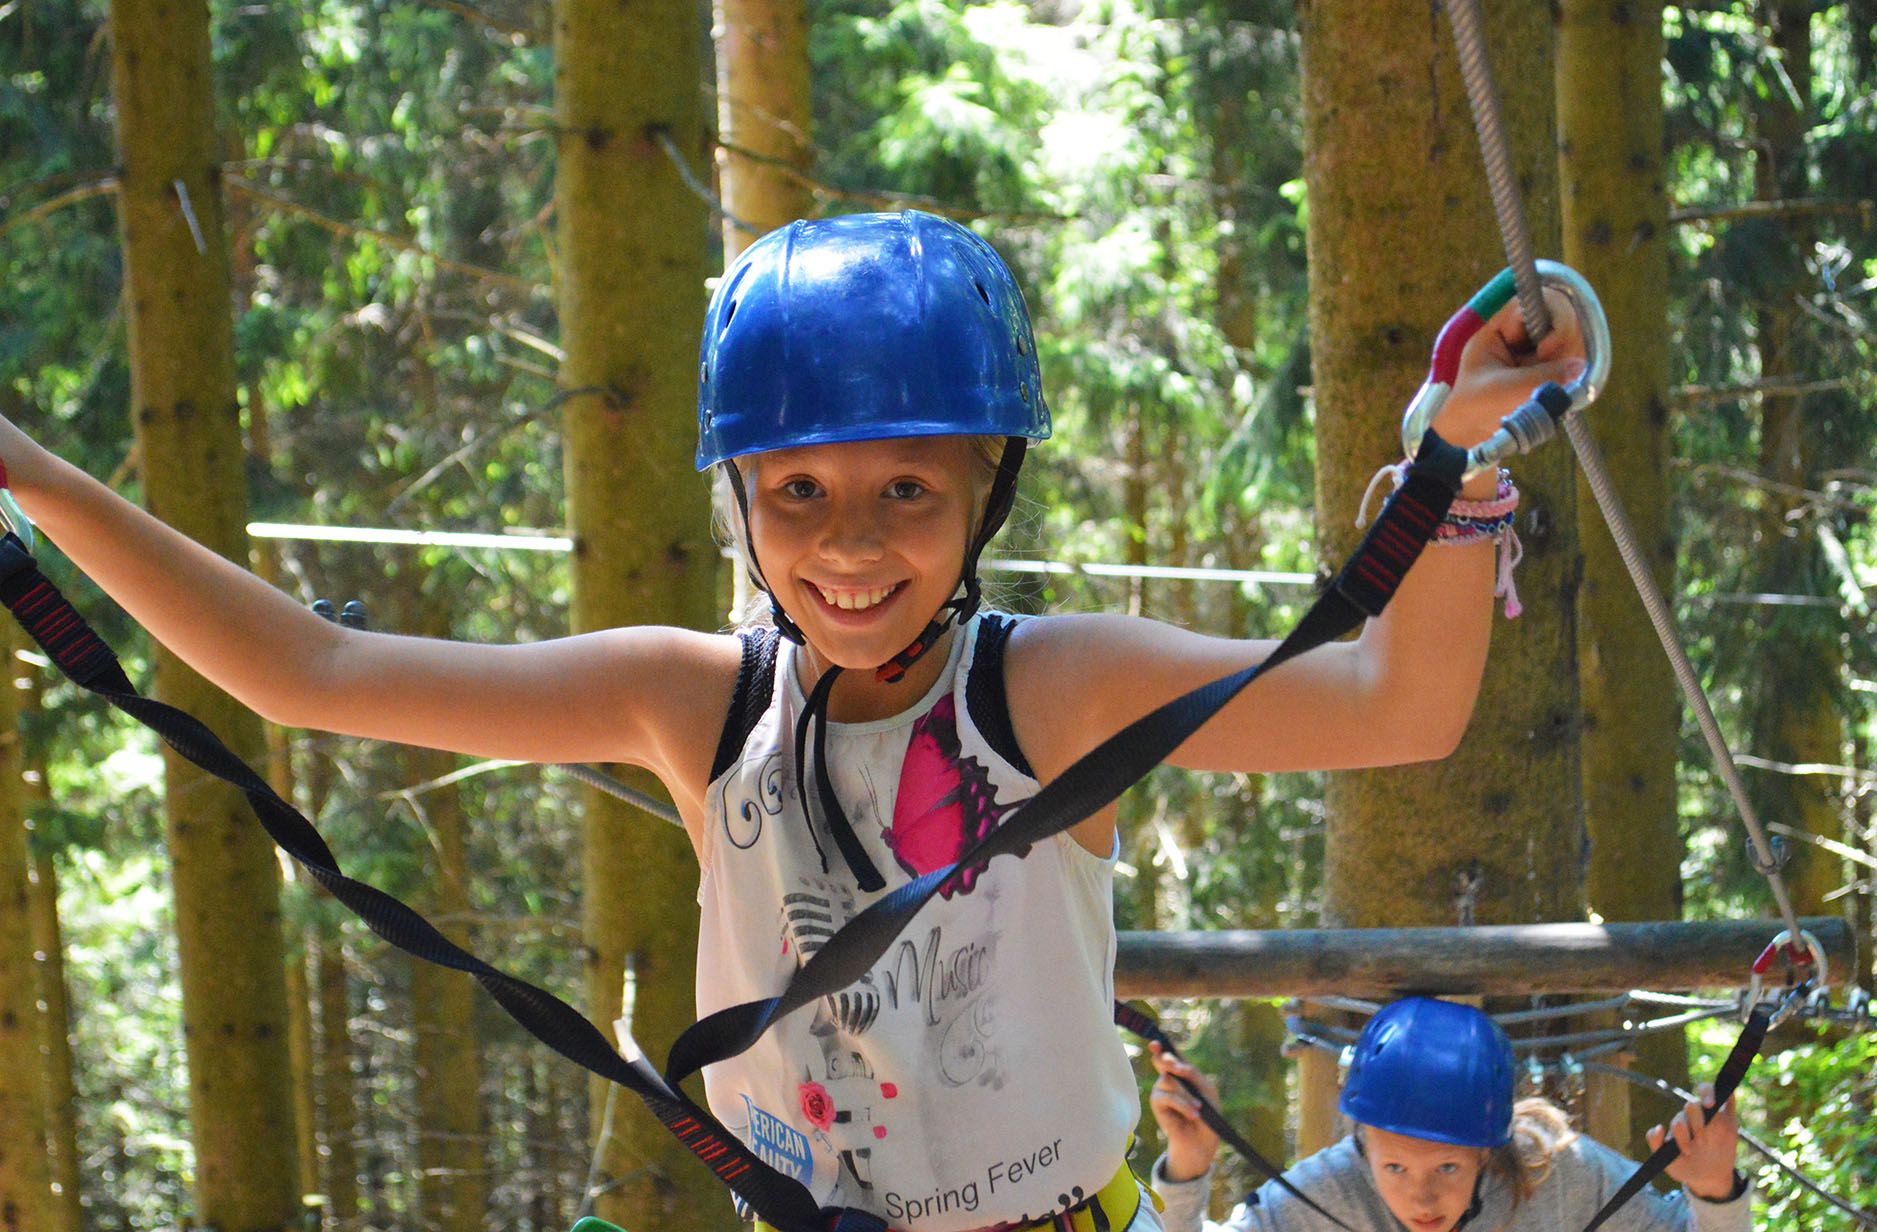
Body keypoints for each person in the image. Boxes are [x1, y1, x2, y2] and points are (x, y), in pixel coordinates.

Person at [0, 211, 1583, 1232]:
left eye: (909, 488)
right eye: (799, 491)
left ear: (985, 491)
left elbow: (1398, 709)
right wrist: (35, 478)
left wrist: (1457, 461)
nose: (849, 543)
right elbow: (312, 678)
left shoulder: (1057, 688)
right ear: (742, 506)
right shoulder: (694, 701)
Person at [1148, 997, 1752, 1232]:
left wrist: (1714, 1190)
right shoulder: (1325, 1197)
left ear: (1487, 1150)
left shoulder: (1559, 1174)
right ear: (1361, 1146)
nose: (1422, 1198)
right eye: (1394, 1168)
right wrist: (1189, 1169)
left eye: (1446, 1168)